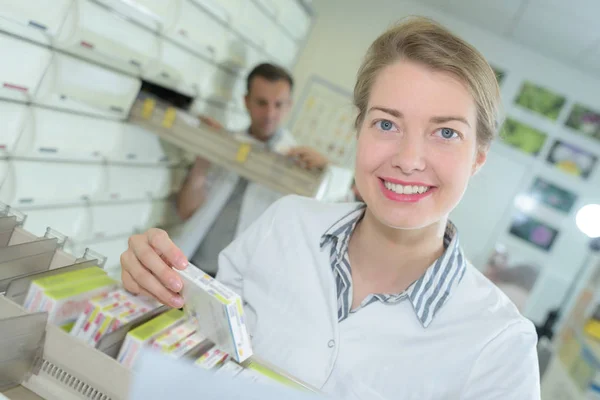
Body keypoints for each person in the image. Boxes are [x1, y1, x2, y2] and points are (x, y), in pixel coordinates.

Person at [121, 17, 540, 399]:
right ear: (359, 129)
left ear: (478, 158)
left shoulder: (501, 346)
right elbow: (199, 352)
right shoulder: (286, 223)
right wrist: (152, 294)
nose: (409, 159)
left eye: (446, 132)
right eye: (387, 124)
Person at [176, 63, 330, 275]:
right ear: (246, 102)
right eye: (261, 103)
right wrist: (204, 155)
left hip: (240, 281)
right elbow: (186, 211)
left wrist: (325, 174)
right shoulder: (227, 144)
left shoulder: (300, 166)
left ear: (289, 106)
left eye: (279, 104)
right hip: (193, 266)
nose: (270, 113)